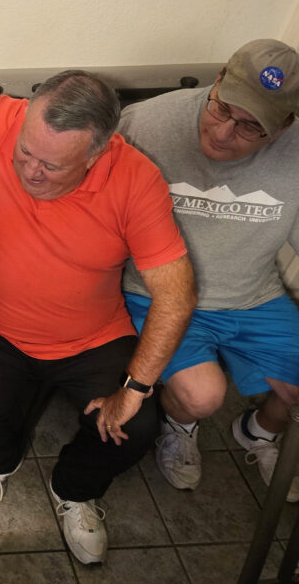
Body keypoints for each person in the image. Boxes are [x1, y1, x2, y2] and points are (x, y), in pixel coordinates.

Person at [0, 70, 196, 564]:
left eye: (52, 165)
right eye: (25, 153)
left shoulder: (136, 178)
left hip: (92, 336)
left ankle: (75, 490)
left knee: (134, 430)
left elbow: (176, 295)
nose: (31, 172)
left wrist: (134, 390)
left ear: (97, 154)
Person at [119, 39, 299, 499]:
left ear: (285, 126)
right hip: (155, 293)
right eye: (222, 109)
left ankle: (258, 431)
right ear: (218, 79)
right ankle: (180, 427)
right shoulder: (144, 124)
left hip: (253, 295)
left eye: (251, 126)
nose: (223, 133)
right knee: (202, 395)